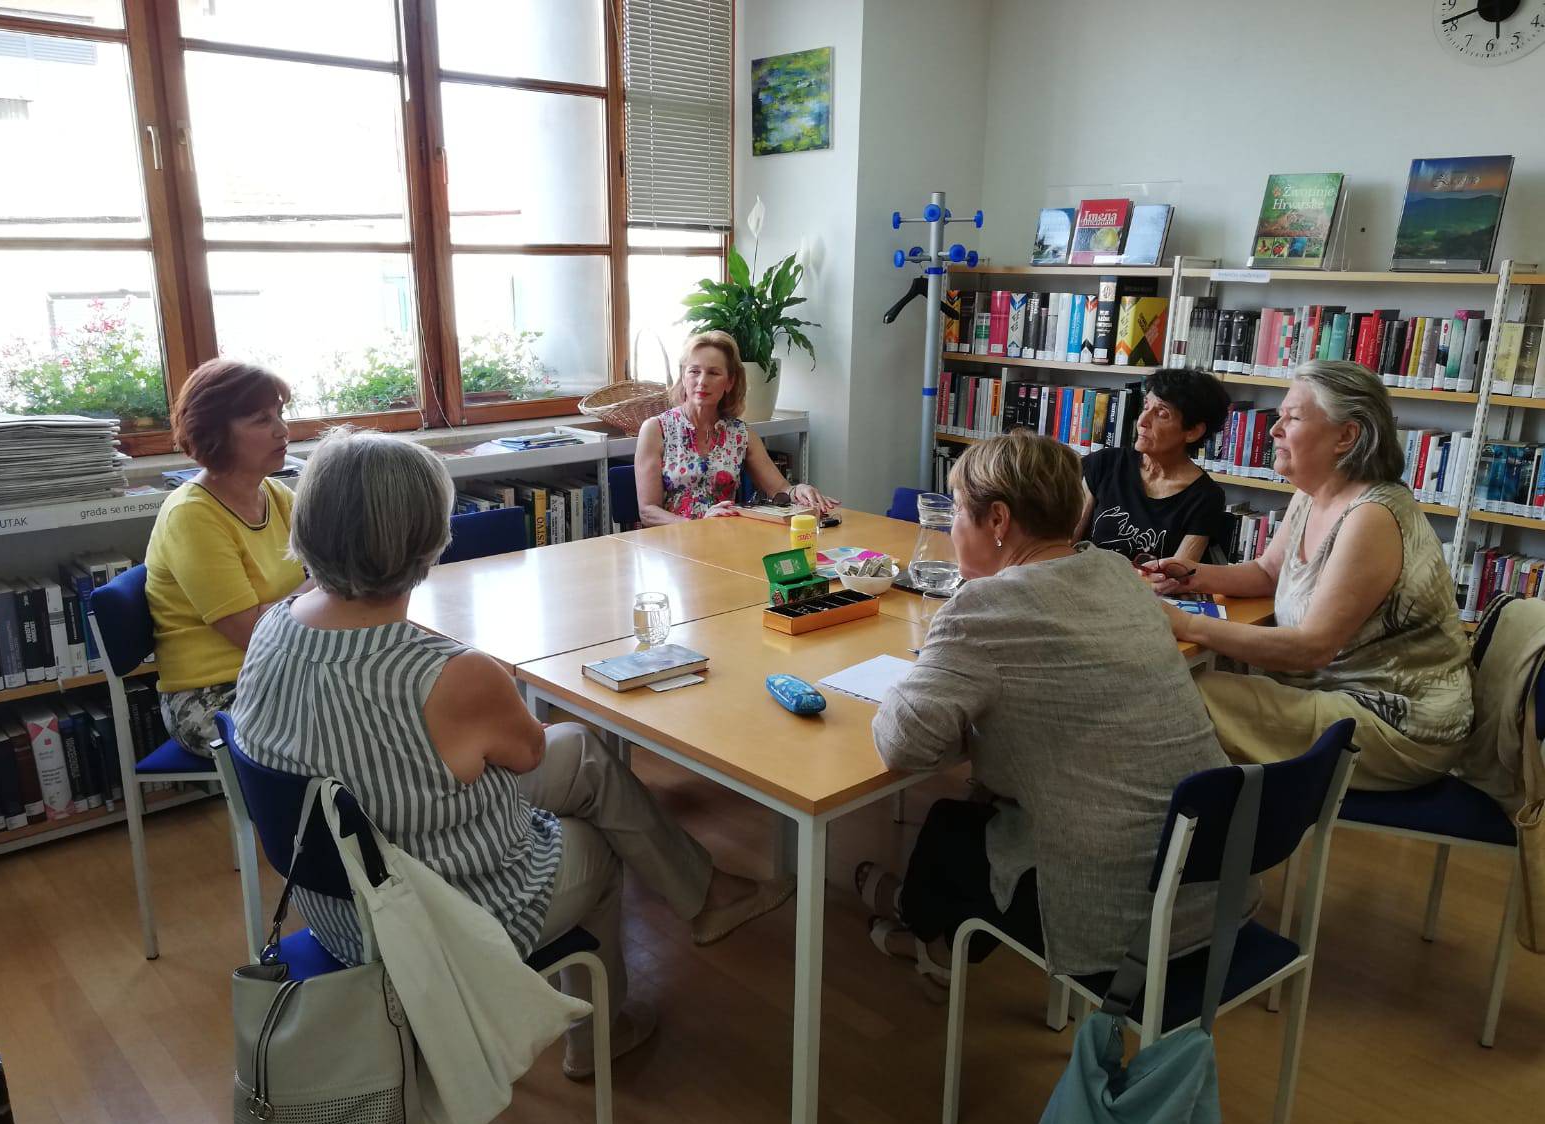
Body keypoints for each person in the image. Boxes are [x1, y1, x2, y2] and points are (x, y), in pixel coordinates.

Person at [231, 428, 795, 1078]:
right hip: (428, 914)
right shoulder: (446, 673)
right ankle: (599, 1037)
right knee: (595, 837)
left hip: (338, 898)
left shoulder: (273, 625)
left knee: (581, 752)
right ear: (429, 538)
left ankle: (705, 894)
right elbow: (525, 753)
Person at [855, 431, 1249, 988]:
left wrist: (914, 679)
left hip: (1120, 909)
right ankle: (919, 918)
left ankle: (932, 944)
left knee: (956, 827)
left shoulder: (984, 607)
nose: (951, 529)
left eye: (958, 512)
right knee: (978, 808)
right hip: (1212, 879)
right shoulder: (1118, 573)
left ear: (997, 520)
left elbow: (903, 745)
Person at [1141, 359, 1472, 791]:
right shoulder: (1312, 494)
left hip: (1396, 723)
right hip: (1330, 694)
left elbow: (1310, 649)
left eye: (1292, 418)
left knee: (1176, 693)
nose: (1274, 430)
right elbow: (1267, 572)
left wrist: (1185, 624)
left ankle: (1194, 824)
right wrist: (1191, 575)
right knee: (1184, 689)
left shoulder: (1371, 516)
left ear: (1346, 436)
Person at [144, 359, 308, 757]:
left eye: (280, 414)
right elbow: (251, 632)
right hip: (212, 694)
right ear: (216, 432)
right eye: (261, 419)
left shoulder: (276, 495)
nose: (282, 430)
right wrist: (329, 582)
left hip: (282, 669)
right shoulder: (192, 516)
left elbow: (331, 570)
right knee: (362, 722)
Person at [634, 330, 837, 524]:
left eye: (714, 373)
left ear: (730, 382)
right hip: (671, 543)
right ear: (683, 376)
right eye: (694, 371)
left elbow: (780, 489)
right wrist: (697, 525)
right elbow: (648, 511)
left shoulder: (740, 434)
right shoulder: (656, 429)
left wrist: (799, 490)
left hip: (724, 539)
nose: (702, 381)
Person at [1074, 368, 1230, 563]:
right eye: (1146, 406)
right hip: (1087, 578)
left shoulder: (1205, 497)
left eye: (1161, 413)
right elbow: (1065, 544)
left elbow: (1178, 571)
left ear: (1193, 431)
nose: (1142, 421)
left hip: (1151, 584)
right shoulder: (1104, 463)